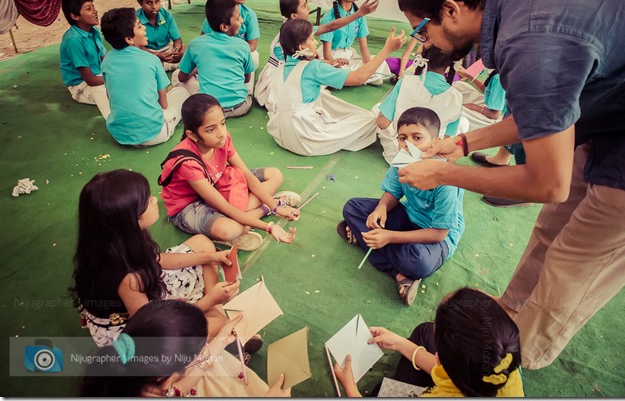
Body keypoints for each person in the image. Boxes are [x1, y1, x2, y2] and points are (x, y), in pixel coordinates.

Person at [397, 0, 625, 369]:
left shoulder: (530, 43)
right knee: (550, 229)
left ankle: (517, 357)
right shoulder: (514, 7)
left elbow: (549, 183)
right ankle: (510, 311)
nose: (424, 43)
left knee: (575, 257)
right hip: (617, 114)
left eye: (422, 32)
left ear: (451, 10)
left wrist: (442, 173)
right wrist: (462, 143)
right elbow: (540, 113)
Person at [70, 169, 240, 347]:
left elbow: (155, 259)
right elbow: (153, 329)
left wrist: (210, 257)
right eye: (148, 201)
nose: (155, 200)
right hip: (136, 332)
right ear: (133, 219)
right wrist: (211, 299)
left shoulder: (115, 239)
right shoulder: (129, 278)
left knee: (202, 243)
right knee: (220, 324)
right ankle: (217, 316)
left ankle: (215, 312)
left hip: (145, 301)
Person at [339, 108, 464, 306]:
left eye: (417, 138)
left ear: (436, 142)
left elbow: (439, 233)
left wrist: (390, 237)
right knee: (352, 207)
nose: (408, 145)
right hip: (408, 218)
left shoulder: (445, 180)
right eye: (402, 138)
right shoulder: (402, 162)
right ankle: (399, 274)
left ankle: (383, 255)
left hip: (437, 238)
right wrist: (381, 207)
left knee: (416, 262)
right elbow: (393, 193)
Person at [160, 94, 300, 252]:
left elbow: (246, 173)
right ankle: (261, 210)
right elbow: (223, 206)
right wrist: (269, 224)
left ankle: (257, 210)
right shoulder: (187, 162)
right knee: (229, 230)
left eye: (222, 123)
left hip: (217, 183)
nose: (221, 133)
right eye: (211, 129)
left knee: (275, 175)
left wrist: (276, 207)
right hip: (189, 206)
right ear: (192, 135)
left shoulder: (221, 138)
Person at [333, 287, 525, 397]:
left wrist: (350, 387)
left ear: (439, 358)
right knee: (424, 331)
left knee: (378, 393)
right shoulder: (503, 362)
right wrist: (401, 343)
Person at [81, 300, 291, 397]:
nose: (204, 349)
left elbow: (176, 391)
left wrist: (219, 342)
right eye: (200, 348)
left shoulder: (127, 369)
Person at [266, 18, 406, 156]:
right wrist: (387, 50)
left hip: (279, 134)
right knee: (370, 119)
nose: (315, 42)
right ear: (302, 47)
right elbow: (359, 78)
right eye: (312, 38)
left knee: (322, 96)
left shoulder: (280, 68)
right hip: (303, 139)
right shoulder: (313, 67)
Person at [254, 0, 379, 107]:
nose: (308, 8)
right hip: (281, 78)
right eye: (304, 6)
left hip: (296, 72)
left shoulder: (300, 30)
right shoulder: (291, 36)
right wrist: (358, 14)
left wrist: (330, 63)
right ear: (294, 15)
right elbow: (330, 27)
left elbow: (329, 29)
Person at [100, 7, 189, 146]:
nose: (144, 29)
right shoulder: (151, 60)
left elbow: (109, 96)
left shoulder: (107, 60)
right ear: (129, 39)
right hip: (155, 134)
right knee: (182, 92)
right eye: (140, 26)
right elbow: (163, 104)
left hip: (119, 135)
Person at [375, 46, 464, 164]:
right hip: (430, 159)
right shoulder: (457, 96)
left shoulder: (405, 82)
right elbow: (447, 139)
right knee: (464, 123)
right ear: (450, 67)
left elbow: (382, 123)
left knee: (377, 109)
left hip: (397, 154)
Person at [175, 0, 255, 118]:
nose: (242, 20)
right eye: (238, 17)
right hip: (241, 106)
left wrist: (197, 69)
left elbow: (182, 77)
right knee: (251, 67)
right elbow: (246, 79)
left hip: (209, 109)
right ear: (224, 27)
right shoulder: (243, 46)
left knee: (176, 76)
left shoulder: (195, 44)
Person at [319, 0, 391, 86]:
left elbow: (364, 47)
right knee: (335, 69)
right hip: (333, 58)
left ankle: (351, 79)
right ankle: (353, 79)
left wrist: (369, 67)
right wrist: (335, 63)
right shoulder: (329, 17)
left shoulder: (360, 15)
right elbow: (327, 55)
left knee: (379, 62)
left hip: (349, 56)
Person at [200, 0, 260, 94]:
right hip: (218, 53)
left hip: (240, 55)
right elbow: (203, 38)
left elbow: (252, 45)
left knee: (253, 58)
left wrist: (232, 52)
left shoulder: (249, 15)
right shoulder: (216, 14)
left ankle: (247, 90)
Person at [59, 0, 110, 120]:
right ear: (75, 16)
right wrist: (116, 78)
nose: (95, 11)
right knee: (111, 90)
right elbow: (91, 81)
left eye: (93, 6)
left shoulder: (94, 31)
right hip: (82, 86)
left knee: (126, 76)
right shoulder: (74, 40)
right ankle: (115, 120)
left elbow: (106, 61)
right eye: (89, 9)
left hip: (99, 75)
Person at [135, 0, 186, 71]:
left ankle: (161, 65)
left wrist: (176, 50)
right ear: (140, 3)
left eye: (157, 1)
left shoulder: (166, 15)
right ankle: (170, 66)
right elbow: (137, 46)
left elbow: (177, 39)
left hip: (167, 50)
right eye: (149, 3)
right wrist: (157, 55)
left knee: (187, 50)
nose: (154, 6)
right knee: (137, 58)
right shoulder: (135, 20)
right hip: (148, 52)